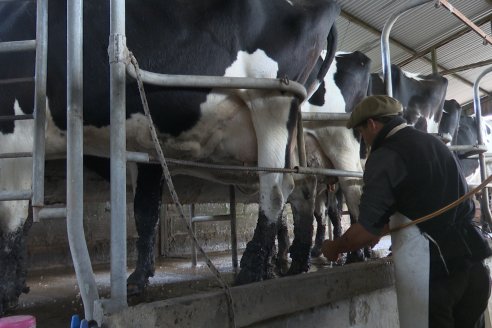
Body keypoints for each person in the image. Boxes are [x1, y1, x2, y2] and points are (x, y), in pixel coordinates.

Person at [321, 95, 492, 328]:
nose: (364, 139)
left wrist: (336, 247)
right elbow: (422, 206)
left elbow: (366, 231)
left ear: (372, 124)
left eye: (362, 133)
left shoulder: (385, 157)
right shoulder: (435, 144)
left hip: (438, 277)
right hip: (475, 269)